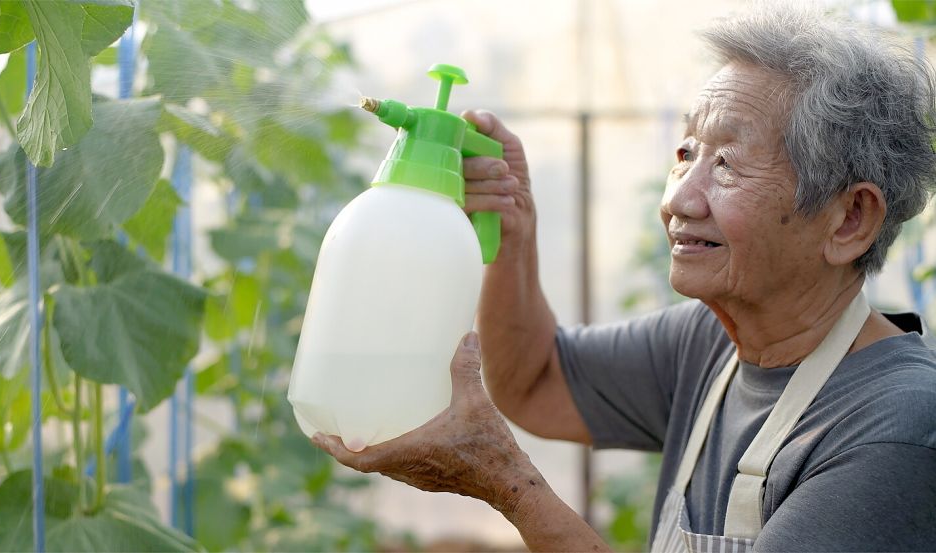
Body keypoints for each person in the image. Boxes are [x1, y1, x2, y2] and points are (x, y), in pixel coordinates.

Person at [312, 7, 936, 552]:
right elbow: (536, 382)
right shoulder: (712, 344)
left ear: (850, 219)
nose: (680, 201)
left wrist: (506, 483)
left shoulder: (895, 428)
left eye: (728, 163)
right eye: (687, 153)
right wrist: (513, 225)